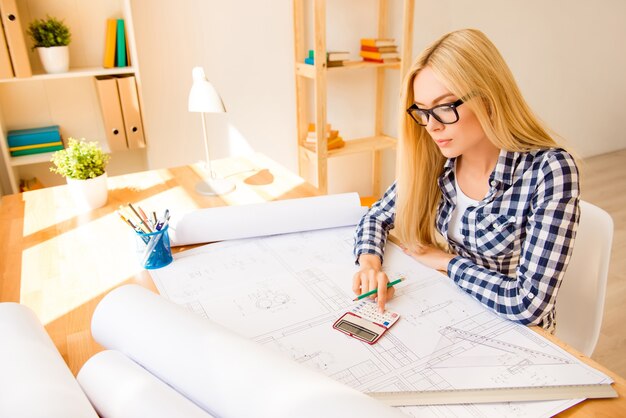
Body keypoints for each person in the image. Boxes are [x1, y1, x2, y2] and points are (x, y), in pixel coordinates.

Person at [352, 28, 580, 333]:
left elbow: (528, 304)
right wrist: (369, 265)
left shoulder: (550, 171)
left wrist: (446, 262)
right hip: (455, 314)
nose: (431, 127)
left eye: (445, 108)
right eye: (423, 111)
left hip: (518, 336)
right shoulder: (438, 160)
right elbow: (376, 216)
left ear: (488, 97)